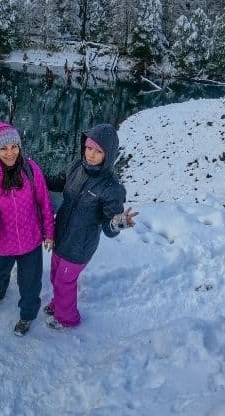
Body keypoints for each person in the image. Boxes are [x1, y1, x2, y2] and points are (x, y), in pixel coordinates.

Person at [45, 123, 137, 330]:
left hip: (80, 245)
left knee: (64, 281)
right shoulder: (76, 167)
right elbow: (57, 182)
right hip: (61, 235)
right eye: (88, 148)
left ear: (109, 154)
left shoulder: (111, 188)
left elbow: (109, 226)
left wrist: (119, 222)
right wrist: (34, 174)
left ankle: (67, 319)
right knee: (56, 276)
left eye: (98, 151)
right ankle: (59, 303)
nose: (91, 155)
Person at [0, 121, 55, 337]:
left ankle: (27, 315)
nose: (10, 153)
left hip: (31, 240)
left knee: (30, 281)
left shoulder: (31, 169)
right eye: (3, 148)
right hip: (1, 241)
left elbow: (44, 202)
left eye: (14, 147)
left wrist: (49, 232)